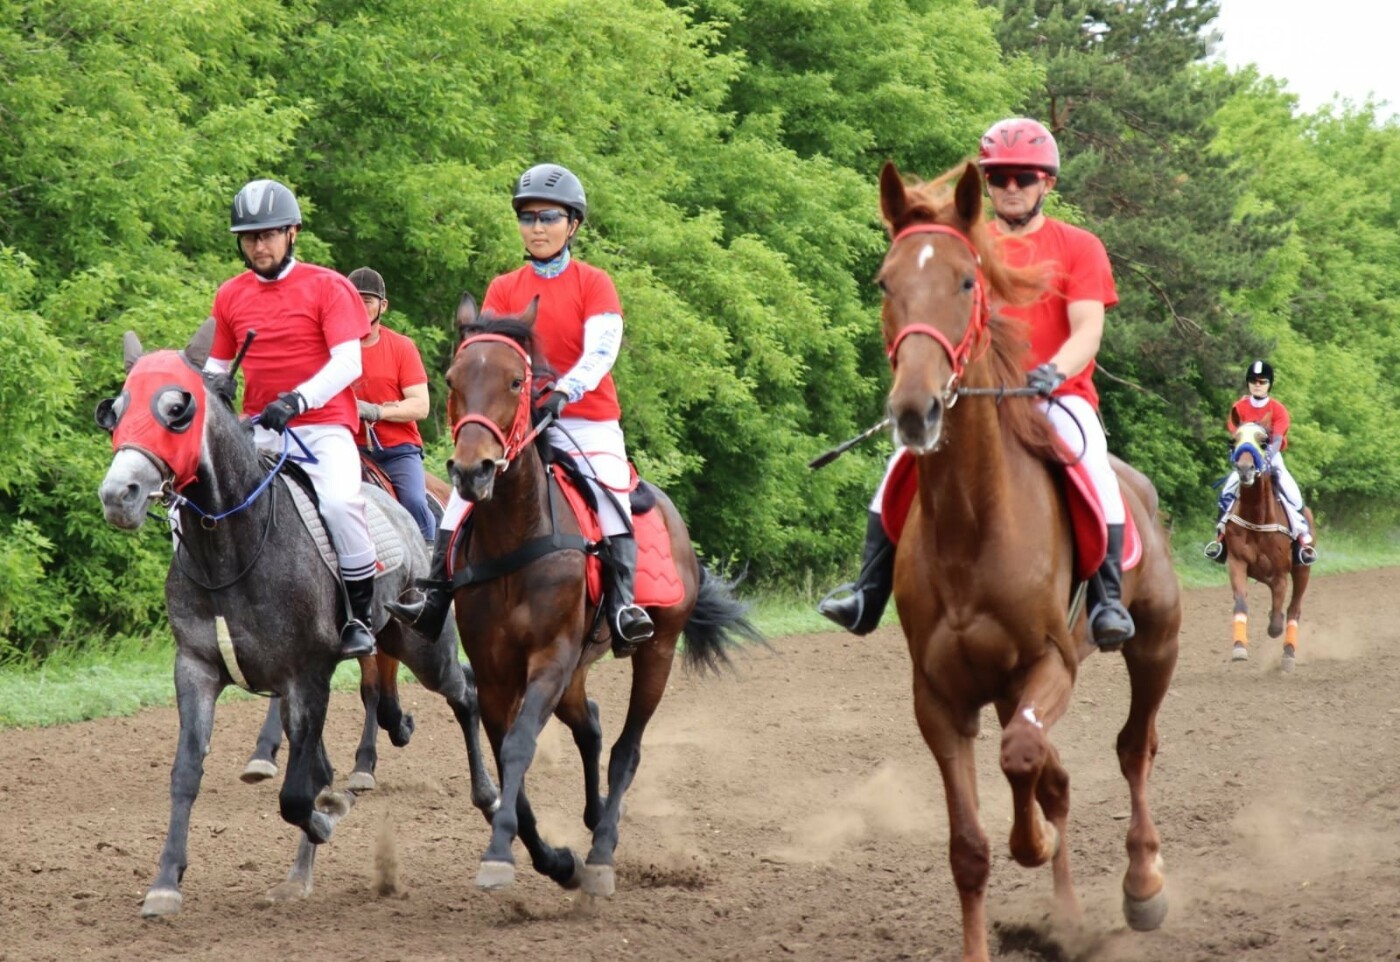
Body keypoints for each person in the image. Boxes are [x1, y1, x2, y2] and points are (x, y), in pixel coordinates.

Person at [818, 117, 1136, 648]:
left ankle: (1106, 600)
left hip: (1056, 395)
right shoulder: (962, 246)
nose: (1012, 188)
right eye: (1001, 178)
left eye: (1024, 177)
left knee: (1093, 463)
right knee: (901, 463)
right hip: (971, 395)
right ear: (986, 185)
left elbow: (1088, 329)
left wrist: (1054, 370)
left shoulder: (1079, 246)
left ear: (1047, 183)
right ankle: (867, 589)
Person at [389, 164, 655, 656]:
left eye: (548, 217)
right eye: (528, 217)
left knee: (610, 493)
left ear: (572, 224)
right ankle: (434, 596)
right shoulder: (504, 288)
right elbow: (486, 358)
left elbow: (601, 351)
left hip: (587, 418)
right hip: (518, 423)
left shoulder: (594, 283)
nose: (537, 227)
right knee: (461, 497)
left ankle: (622, 607)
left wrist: (565, 391)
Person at [204, 179, 376, 660]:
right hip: (257, 431)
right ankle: (209, 606)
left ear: (293, 232)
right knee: (193, 502)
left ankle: (360, 616)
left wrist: (297, 401)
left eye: (270, 234)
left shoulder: (329, 286)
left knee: (341, 504)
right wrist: (215, 389)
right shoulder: (230, 295)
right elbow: (216, 368)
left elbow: (349, 363)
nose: (260, 245)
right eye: (250, 236)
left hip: (322, 427)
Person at [346, 267, 435, 542]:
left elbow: (421, 406)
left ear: (383, 305)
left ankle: (429, 558)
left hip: (397, 451)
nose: (360, 307)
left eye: (368, 300)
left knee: (414, 502)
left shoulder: (402, 347)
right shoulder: (333, 348)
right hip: (346, 447)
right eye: (354, 299)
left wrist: (376, 411)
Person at [1205, 360, 1316, 565]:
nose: (1257, 384)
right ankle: (1220, 540)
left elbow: (1277, 437)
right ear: (1248, 383)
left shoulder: (1278, 409)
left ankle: (1302, 542)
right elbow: (1236, 432)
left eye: (1262, 381)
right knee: (1227, 492)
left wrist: (1267, 456)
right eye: (1253, 381)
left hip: (1271, 459)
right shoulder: (1238, 407)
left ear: (1269, 384)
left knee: (1294, 495)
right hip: (1246, 459)